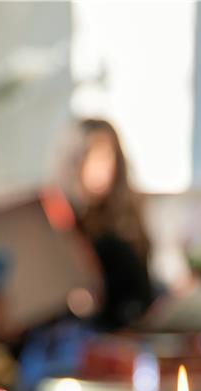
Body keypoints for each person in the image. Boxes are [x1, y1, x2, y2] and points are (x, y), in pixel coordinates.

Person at [55, 118, 155, 330]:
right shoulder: (63, 219)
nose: (102, 168)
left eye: (107, 157)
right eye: (93, 157)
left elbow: (139, 292)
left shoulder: (126, 217)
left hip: (126, 327)